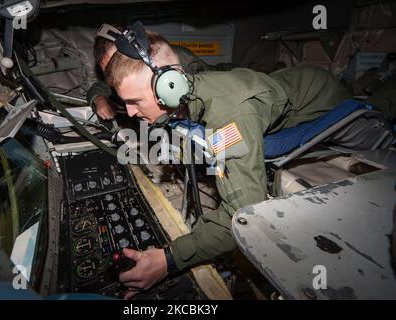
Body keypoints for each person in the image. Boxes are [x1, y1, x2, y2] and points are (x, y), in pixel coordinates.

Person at [104, 28, 396, 298]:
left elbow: (244, 213)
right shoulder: (183, 87)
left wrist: (168, 259)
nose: (130, 112)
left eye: (135, 101)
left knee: (379, 104)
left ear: (170, 85)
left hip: (321, 95)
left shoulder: (232, 116)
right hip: (291, 82)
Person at [86, 25, 233, 120]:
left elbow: (208, 84)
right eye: (110, 70)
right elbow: (100, 87)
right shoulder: (121, 75)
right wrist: (98, 99)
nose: (115, 71)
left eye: (117, 61)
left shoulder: (181, 61)